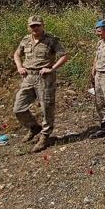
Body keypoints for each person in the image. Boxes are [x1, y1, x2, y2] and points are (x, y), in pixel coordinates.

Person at [13, 15, 69, 153]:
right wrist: (19, 67)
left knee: (46, 107)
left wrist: (52, 68)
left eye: (37, 25)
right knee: (18, 108)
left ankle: (44, 136)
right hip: (28, 77)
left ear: (43, 25)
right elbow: (16, 54)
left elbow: (64, 55)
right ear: (28, 27)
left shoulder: (51, 40)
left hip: (44, 78)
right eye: (32, 26)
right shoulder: (25, 40)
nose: (35, 28)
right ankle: (33, 127)